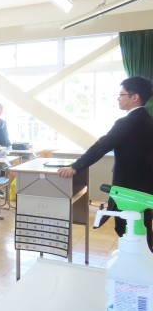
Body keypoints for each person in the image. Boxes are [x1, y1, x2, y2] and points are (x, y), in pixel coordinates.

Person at [58, 77, 153, 248]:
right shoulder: (149, 120)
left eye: (122, 94)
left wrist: (75, 167)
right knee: (143, 226)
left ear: (135, 97)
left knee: (127, 227)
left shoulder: (127, 122)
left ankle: (134, 259)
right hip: (147, 187)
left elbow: (102, 146)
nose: (118, 98)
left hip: (128, 189)